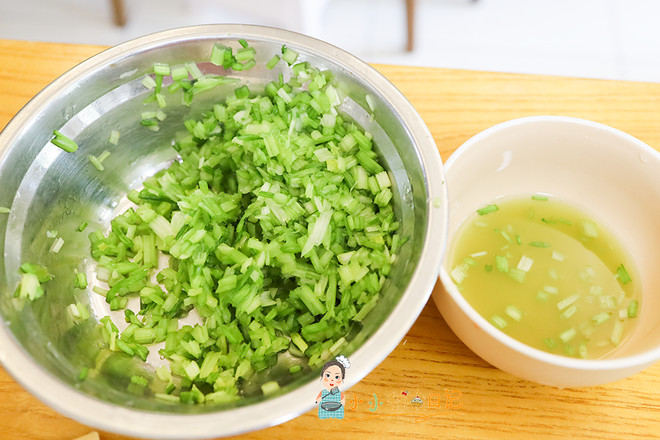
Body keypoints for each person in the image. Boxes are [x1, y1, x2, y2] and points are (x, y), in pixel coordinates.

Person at [316, 355, 350, 419]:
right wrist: (318, 399)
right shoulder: (323, 391)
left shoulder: (339, 392)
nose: (332, 380)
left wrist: (342, 401)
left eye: (337, 377)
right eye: (328, 375)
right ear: (321, 377)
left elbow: (342, 398)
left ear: (342, 380)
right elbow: (318, 398)